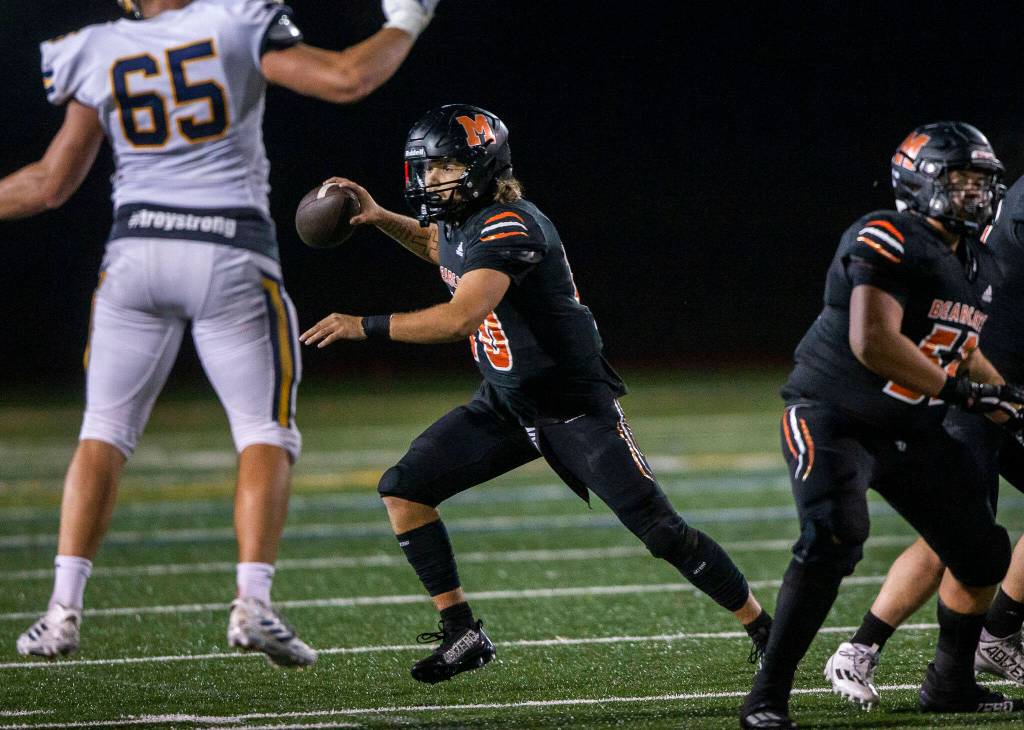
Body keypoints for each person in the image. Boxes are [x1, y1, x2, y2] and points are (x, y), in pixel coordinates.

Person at [3, 0, 441, 666]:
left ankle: (60, 613)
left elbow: (49, 184)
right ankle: (252, 605)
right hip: (227, 253)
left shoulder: (97, 46)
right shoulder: (236, 19)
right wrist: (408, 19)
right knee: (264, 432)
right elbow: (348, 78)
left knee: (104, 431)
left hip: (134, 259)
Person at [300, 103, 773, 684]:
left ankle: (765, 629)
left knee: (660, 532)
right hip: (505, 402)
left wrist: (362, 325)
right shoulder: (459, 221)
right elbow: (435, 247)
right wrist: (378, 217)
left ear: (480, 166)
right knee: (404, 489)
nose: (430, 181)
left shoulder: (507, 224)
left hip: (571, 407)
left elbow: (459, 318)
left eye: (444, 167)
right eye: (425, 168)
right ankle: (462, 632)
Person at [738, 122, 1024, 729]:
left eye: (982, 183)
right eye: (961, 181)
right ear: (915, 183)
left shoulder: (974, 261)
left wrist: (1005, 397)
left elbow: (962, 345)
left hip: (909, 429)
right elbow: (872, 340)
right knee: (833, 539)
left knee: (982, 552)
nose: (975, 195)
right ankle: (767, 696)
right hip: (833, 415)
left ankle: (950, 684)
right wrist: (960, 393)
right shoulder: (886, 234)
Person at [824, 171, 1024, 710]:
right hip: (978, 384)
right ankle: (863, 647)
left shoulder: (979, 242)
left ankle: (987, 642)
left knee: (966, 539)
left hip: (998, 382)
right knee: (960, 535)